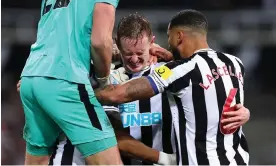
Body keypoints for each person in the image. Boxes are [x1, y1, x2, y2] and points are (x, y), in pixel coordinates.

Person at [94, 10, 250, 165]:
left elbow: (197, 78)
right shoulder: (109, 78)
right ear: (118, 46)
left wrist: (244, 111)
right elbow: (112, 136)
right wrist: (166, 159)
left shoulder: (170, 70)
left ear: (152, 43)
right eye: (128, 53)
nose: (134, 59)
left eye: (140, 52)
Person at [18, 0, 122, 165]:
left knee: (37, 161)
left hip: (31, 75)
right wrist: (103, 77)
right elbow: (100, 42)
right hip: (66, 78)